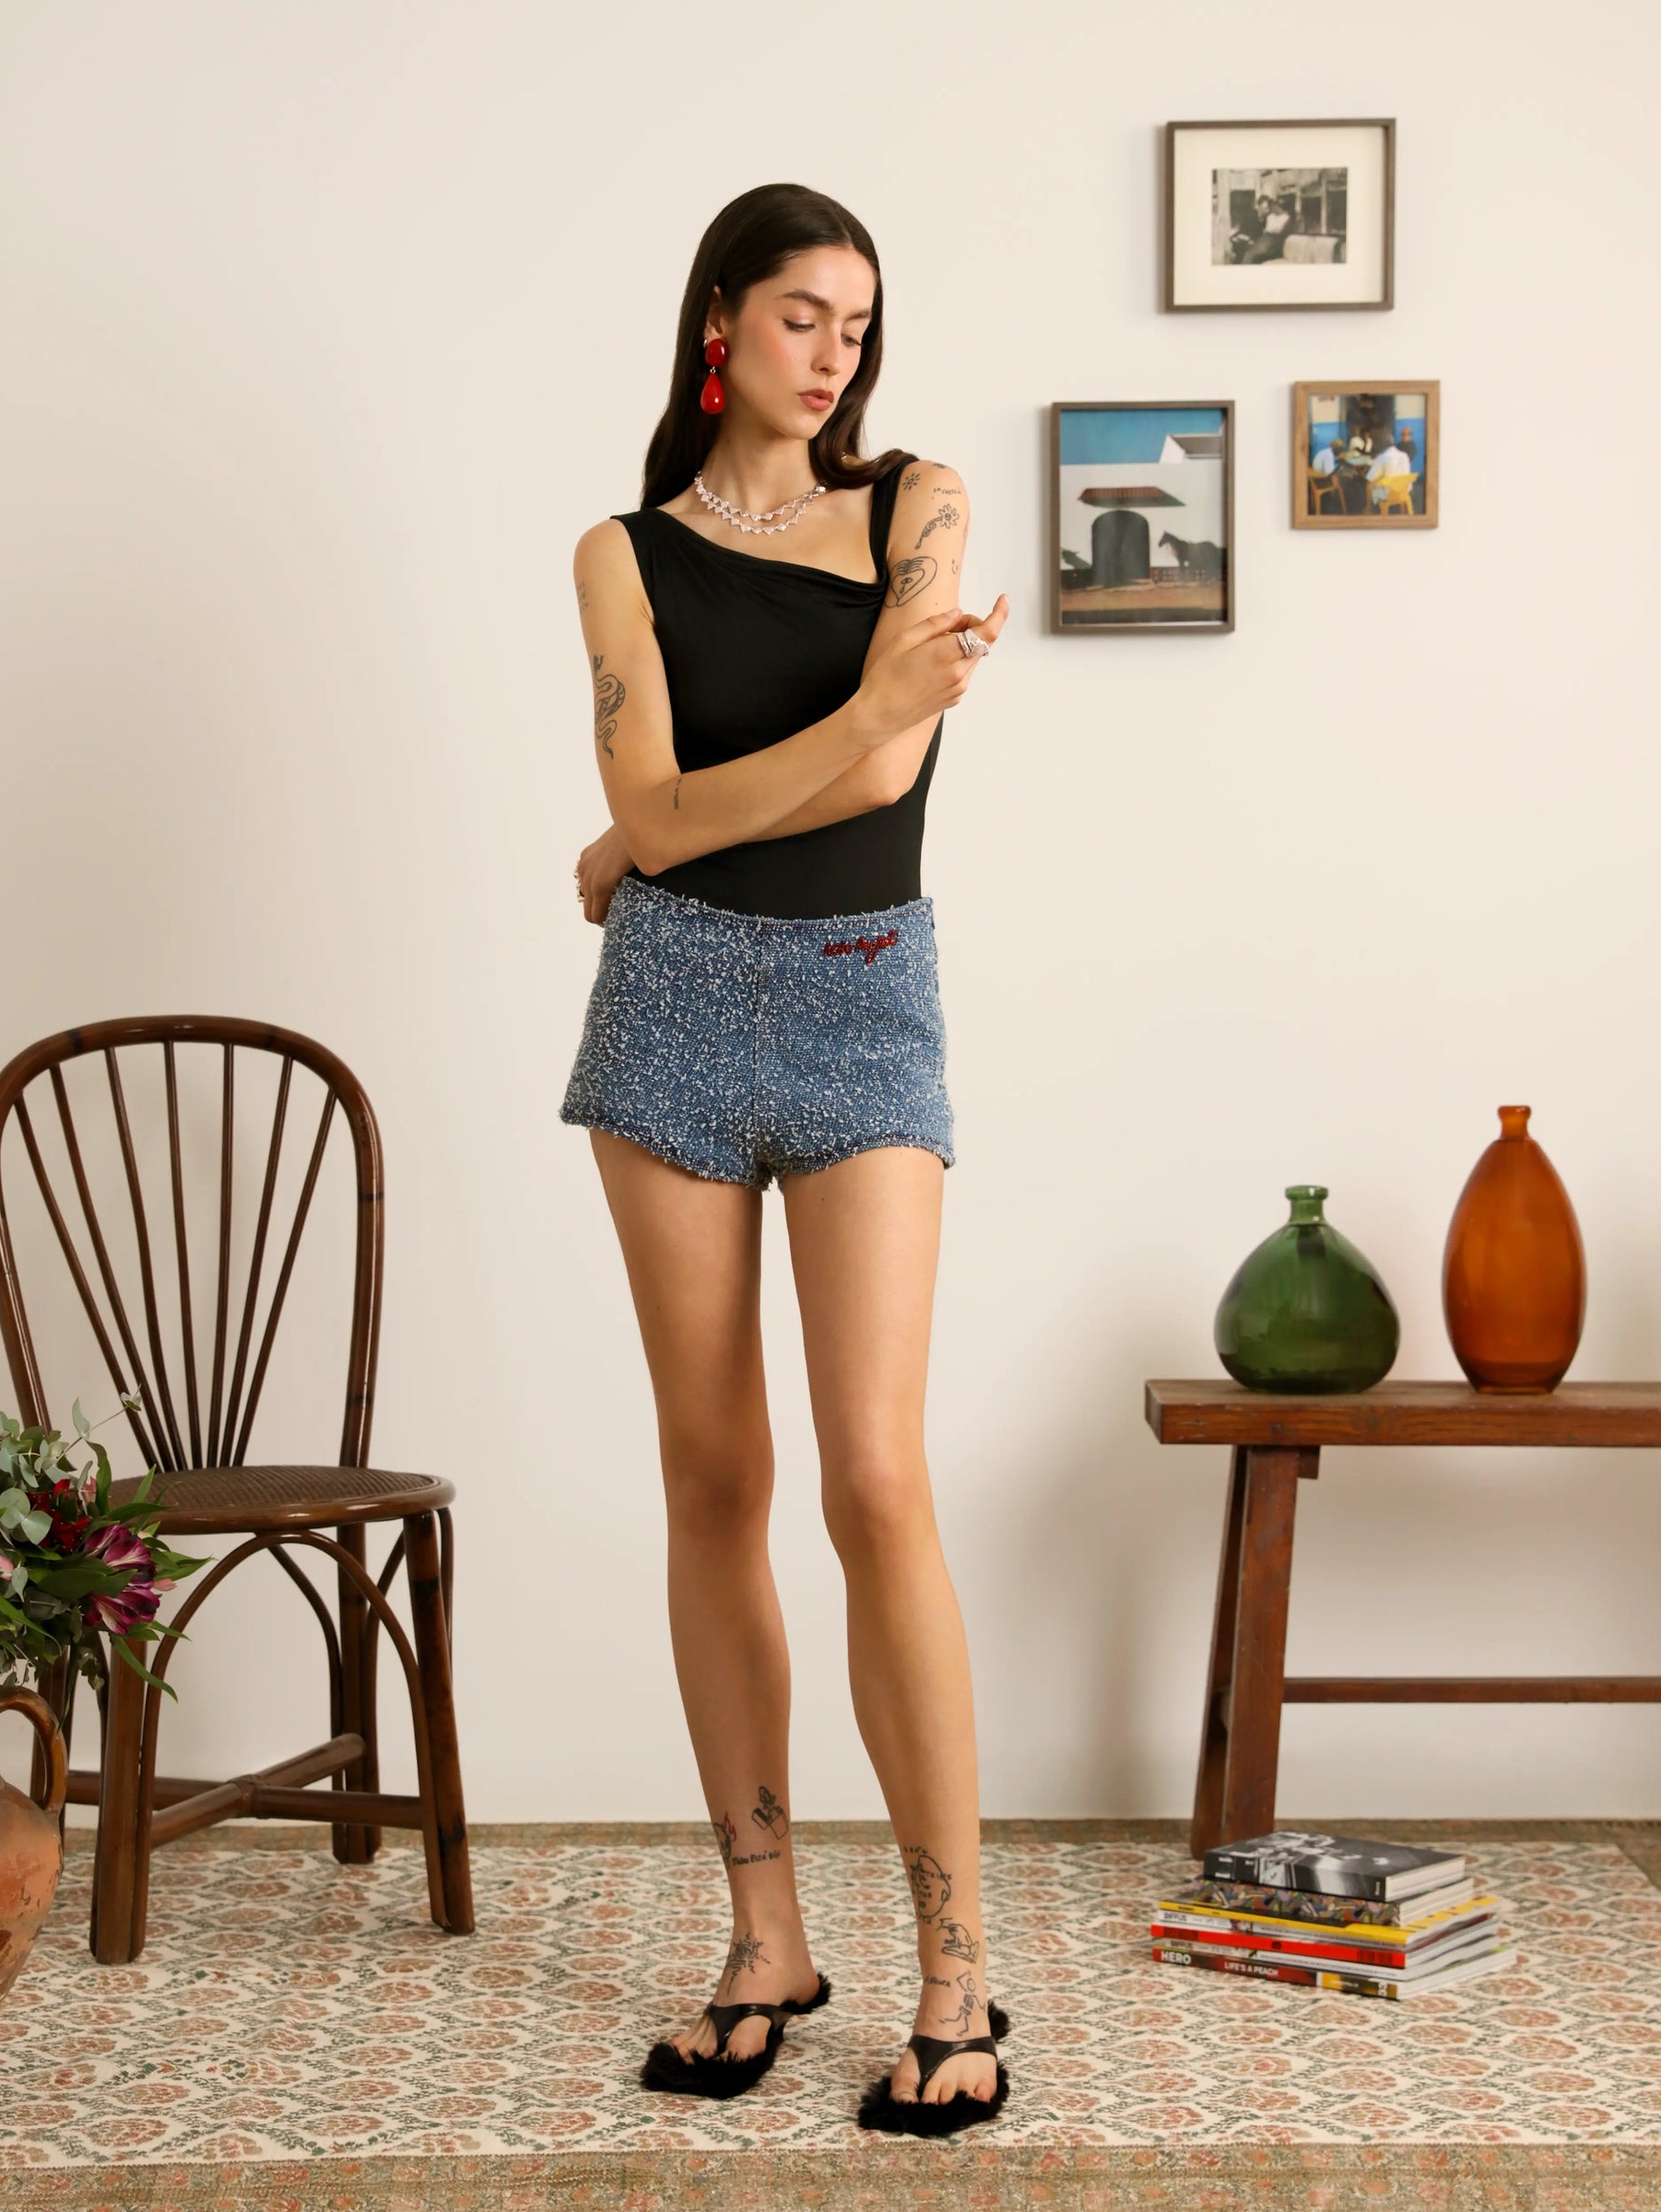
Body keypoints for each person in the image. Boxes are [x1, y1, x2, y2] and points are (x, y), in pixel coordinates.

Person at [560, 182, 1013, 2136]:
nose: (837, 353)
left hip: (857, 994)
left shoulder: (919, 504)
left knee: (875, 1481)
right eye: (805, 315)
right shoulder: (620, 553)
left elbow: (890, 771)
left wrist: (653, 831)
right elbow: (670, 805)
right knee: (711, 1476)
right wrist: (648, 833)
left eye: (861, 322)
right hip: (666, 1008)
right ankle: (767, 1940)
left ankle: (958, 1973)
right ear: (721, 322)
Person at [1365, 434, 1412, 508]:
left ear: (1382, 445)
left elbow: (1370, 477)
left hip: (1389, 493)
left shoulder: (1382, 457)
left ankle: (1368, 509)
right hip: (1404, 490)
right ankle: (1402, 508)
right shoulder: (1404, 455)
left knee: (1369, 485)